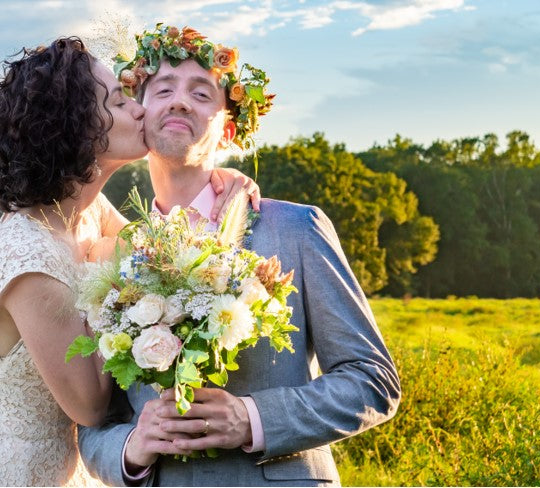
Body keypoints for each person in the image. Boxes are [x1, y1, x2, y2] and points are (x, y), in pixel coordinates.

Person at [77, 25, 401, 487]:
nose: (181, 101)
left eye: (202, 93)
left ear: (228, 129)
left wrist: (253, 419)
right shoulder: (114, 256)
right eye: (163, 88)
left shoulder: (297, 229)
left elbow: (373, 381)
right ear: (138, 114)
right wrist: (132, 449)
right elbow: (93, 421)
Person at [0, 36, 260, 487]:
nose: (141, 109)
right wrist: (109, 261)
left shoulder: (86, 211)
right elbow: (89, 404)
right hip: (9, 472)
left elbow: (154, 246)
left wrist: (222, 177)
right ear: (80, 127)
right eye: (122, 102)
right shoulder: (28, 254)